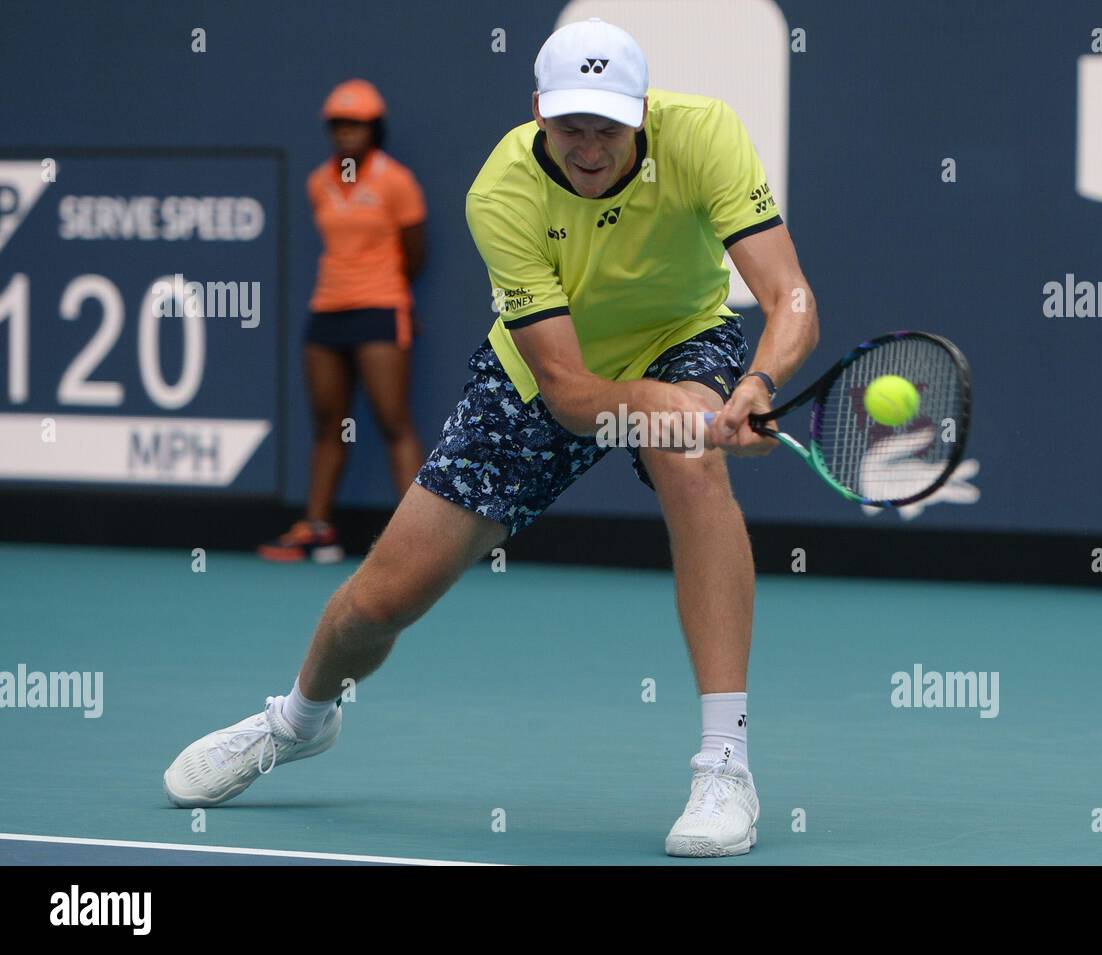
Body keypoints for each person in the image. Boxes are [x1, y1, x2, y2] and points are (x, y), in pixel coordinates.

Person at [165, 19, 818, 858]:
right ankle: (296, 720)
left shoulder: (705, 135)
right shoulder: (501, 192)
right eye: (571, 126)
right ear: (538, 109)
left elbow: (788, 293)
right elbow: (573, 394)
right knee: (381, 600)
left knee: (690, 461)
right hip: (546, 375)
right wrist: (671, 405)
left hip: (683, 331)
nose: (590, 148)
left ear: (644, 114)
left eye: (610, 128)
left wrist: (754, 385)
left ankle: (725, 763)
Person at [258, 79, 428, 564]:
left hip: (380, 308)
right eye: (338, 124)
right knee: (327, 424)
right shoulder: (318, 182)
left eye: (355, 123)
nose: (345, 133)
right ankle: (318, 530)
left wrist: (389, 294)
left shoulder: (396, 181)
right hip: (327, 311)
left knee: (394, 423)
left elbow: (415, 253)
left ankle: (417, 540)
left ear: (374, 129)